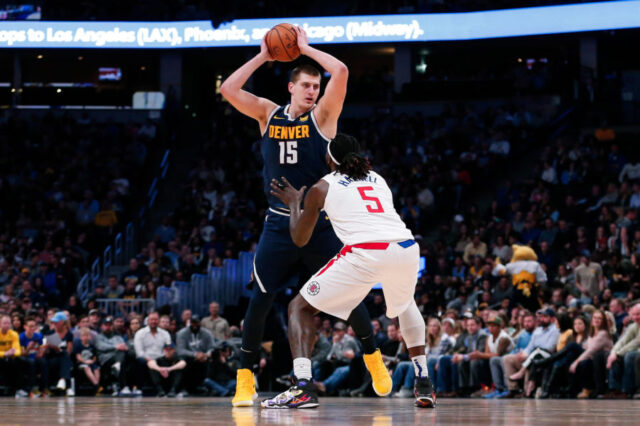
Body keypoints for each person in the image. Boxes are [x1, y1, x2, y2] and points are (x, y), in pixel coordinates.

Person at [220, 27, 379, 407]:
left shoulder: (323, 118)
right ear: (291, 88)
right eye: (305, 85)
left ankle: (374, 358)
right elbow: (227, 89)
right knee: (259, 301)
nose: (312, 91)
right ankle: (246, 379)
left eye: (315, 85)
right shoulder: (266, 113)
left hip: (318, 223)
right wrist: (263, 56)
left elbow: (339, 72)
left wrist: (305, 48)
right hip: (278, 223)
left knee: (350, 296)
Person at [261, 134, 435, 408]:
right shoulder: (378, 179)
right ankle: (423, 383)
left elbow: (299, 238)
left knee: (299, 307)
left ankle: (302, 387)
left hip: (366, 251)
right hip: (406, 247)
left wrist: (296, 203)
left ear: (329, 159)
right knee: (406, 305)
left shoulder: (321, 187)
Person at [0, 314, 22, 395]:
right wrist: (4, 353)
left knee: (18, 361)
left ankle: (17, 389)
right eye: (5, 323)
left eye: (9, 323)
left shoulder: (14, 334)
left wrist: (11, 353)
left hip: (10, 357)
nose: (7, 325)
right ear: (0, 324)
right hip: (2, 357)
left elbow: (18, 350)